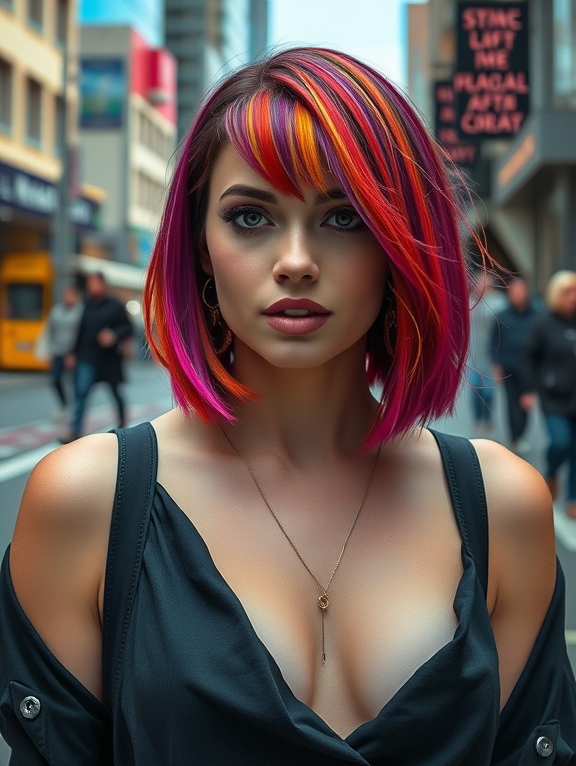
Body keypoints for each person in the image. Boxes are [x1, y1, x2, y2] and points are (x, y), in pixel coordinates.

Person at [1, 48, 575, 764]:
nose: (296, 260)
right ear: (201, 247)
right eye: (250, 217)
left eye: (343, 218)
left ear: (399, 245)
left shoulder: (503, 506)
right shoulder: (86, 503)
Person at [520, 269, 576, 519]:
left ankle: (572, 498)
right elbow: (528, 357)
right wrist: (530, 389)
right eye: (568, 292)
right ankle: (551, 472)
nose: (573, 297)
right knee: (561, 443)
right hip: (554, 398)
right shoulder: (543, 323)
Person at [64, 271, 133, 441]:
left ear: (103, 284)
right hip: (87, 357)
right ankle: (75, 429)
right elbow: (80, 331)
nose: (92, 287)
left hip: (108, 359)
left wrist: (113, 335)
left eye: (95, 283)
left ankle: (122, 424)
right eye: (90, 284)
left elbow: (128, 327)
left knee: (115, 392)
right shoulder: (86, 304)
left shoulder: (115, 305)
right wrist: (72, 353)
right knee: (81, 393)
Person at [489, 277, 541, 453]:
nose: (516, 294)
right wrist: (496, 363)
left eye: (519, 290)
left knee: (526, 403)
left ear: (526, 292)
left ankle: (521, 433)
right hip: (508, 366)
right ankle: (515, 437)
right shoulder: (502, 315)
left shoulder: (537, 315)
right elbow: (494, 341)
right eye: (512, 291)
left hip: (530, 369)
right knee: (511, 403)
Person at [467, 273, 506, 434]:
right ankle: (477, 419)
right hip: (473, 356)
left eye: (483, 284)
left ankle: (488, 419)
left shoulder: (499, 302)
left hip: (491, 356)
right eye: (478, 283)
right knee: (476, 390)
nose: (480, 286)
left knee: (489, 393)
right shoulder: (470, 302)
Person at [43, 283, 83, 421]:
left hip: (74, 353)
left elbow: (82, 333)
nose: (67, 297)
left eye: (70, 294)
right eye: (65, 294)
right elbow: (49, 331)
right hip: (58, 351)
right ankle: (64, 405)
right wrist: (49, 351)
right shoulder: (56, 310)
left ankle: (76, 409)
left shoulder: (81, 311)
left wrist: (73, 353)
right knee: (55, 379)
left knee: (77, 383)